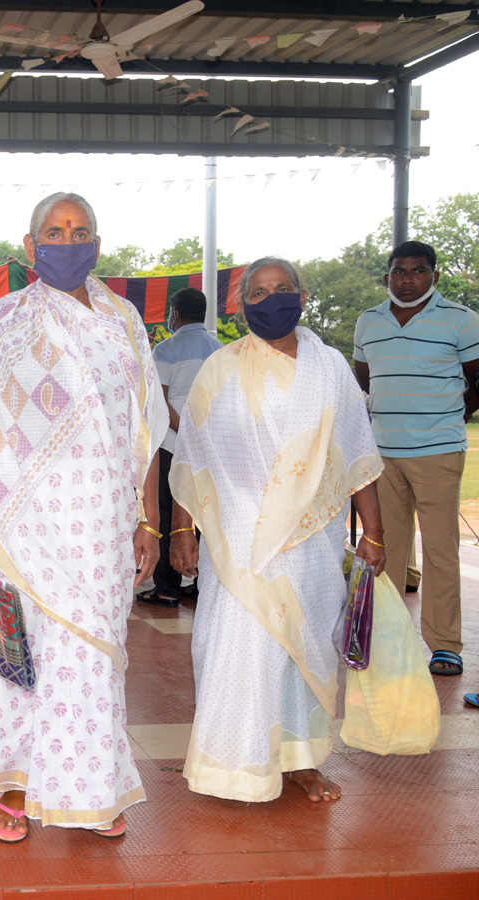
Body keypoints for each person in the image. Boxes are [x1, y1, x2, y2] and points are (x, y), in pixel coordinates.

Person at [0, 192, 167, 842]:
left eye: (79, 231)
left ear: (97, 244)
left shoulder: (124, 320)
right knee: (21, 653)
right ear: (29, 244)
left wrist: (147, 520)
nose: (67, 241)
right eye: (54, 230)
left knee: (90, 656)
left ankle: (92, 788)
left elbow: (144, 427)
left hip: (98, 525)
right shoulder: (0, 321)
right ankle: (15, 785)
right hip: (14, 529)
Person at [170, 256, 385, 804]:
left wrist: (375, 534)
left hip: (311, 539)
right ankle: (233, 765)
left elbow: (359, 452)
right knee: (239, 647)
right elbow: (192, 458)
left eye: (282, 289)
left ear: (303, 294)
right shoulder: (220, 368)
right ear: (241, 306)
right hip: (240, 539)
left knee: (304, 649)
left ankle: (300, 762)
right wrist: (181, 530)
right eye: (259, 293)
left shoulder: (331, 367)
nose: (272, 300)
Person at [353, 240, 479, 678]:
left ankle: (444, 645)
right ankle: (389, 641)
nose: (407, 280)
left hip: (438, 451)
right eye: (399, 271)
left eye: (418, 271)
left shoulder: (462, 321)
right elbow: (362, 381)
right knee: (384, 548)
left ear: (435, 276)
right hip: (382, 454)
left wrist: (456, 412)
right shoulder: (368, 321)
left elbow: (477, 377)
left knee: (442, 551)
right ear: (387, 276)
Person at [141, 288, 222, 607]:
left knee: (165, 511)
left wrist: (184, 432)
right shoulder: (221, 351)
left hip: (172, 444)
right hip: (210, 447)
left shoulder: (165, 349)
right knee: (204, 512)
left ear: (174, 314)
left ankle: (166, 587)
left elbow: (158, 399)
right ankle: (200, 582)